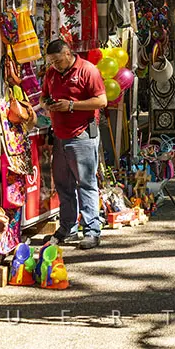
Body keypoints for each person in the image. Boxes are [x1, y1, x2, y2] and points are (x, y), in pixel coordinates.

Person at [41, 39, 108, 249]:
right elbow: (43, 97)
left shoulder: (88, 71)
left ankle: (92, 231)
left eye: (58, 61)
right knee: (63, 184)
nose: (55, 65)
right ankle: (67, 227)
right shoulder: (51, 74)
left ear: (68, 54)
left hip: (82, 135)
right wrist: (47, 104)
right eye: (51, 61)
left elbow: (101, 101)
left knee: (86, 183)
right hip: (60, 135)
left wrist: (71, 105)